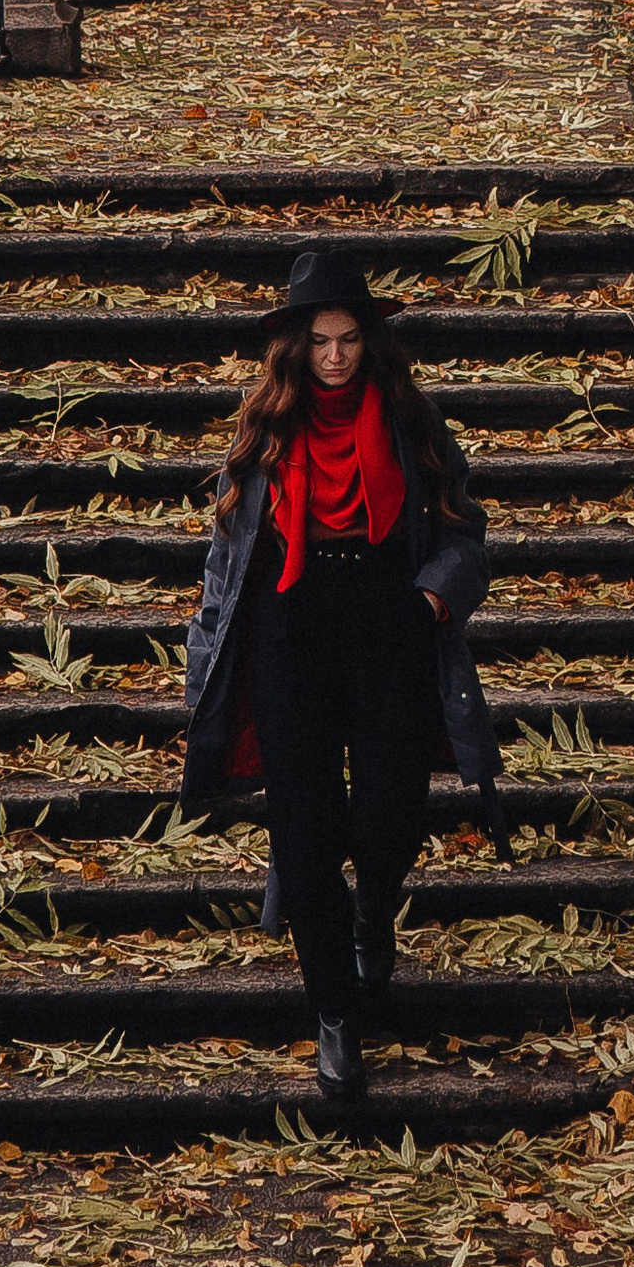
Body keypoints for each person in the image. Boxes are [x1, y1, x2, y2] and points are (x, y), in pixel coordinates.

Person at [181, 245, 501, 1100]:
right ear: (295, 347)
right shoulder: (265, 430)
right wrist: (205, 656)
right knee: (304, 828)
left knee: (393, 810)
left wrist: (430, 601)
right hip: (291, 629)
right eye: (319, 342)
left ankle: (373, 911)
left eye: (348, 340)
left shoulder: (411, 421)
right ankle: (333, 1012)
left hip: (387, 618)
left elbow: (467, 535)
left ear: (370, 342)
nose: (334, 358)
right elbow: (225, 561)